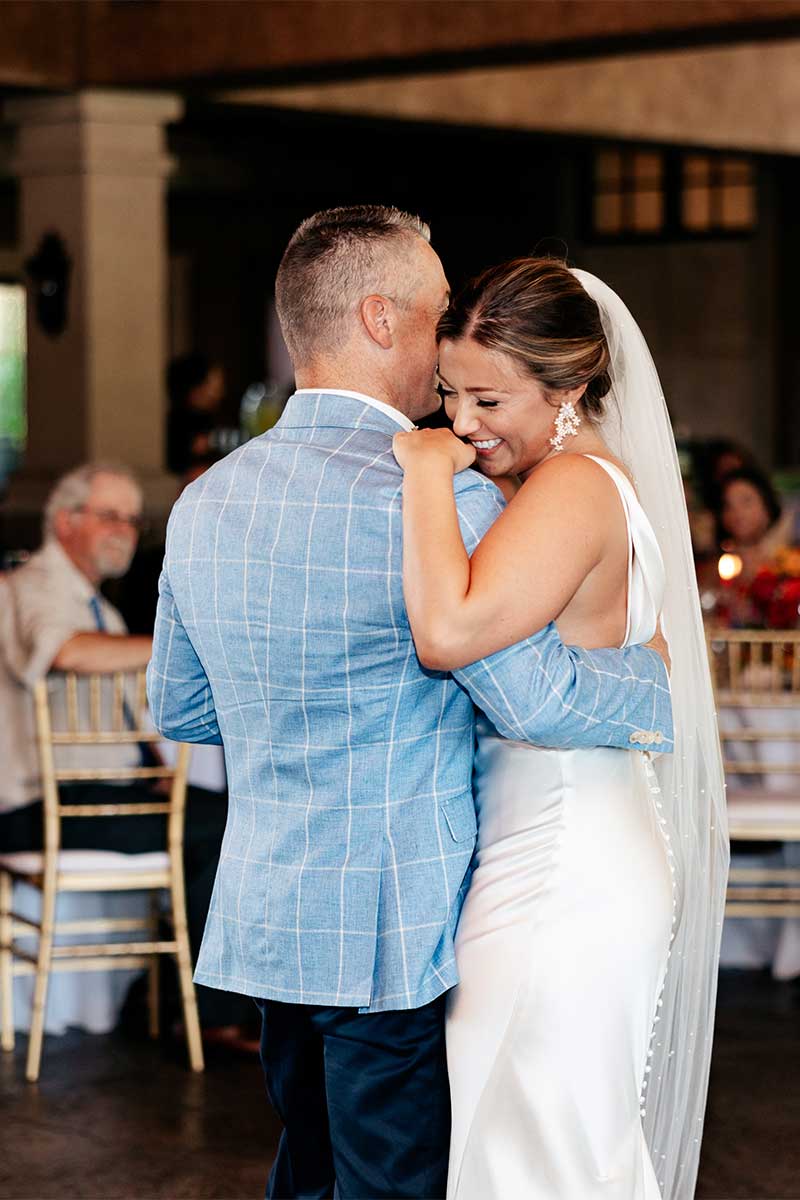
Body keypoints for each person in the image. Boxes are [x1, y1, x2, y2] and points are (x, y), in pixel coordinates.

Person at [147, 207, 673, 1200]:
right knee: (390, 1182)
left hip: (270, 915)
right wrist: (663, 676)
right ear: (382, 320)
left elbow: (180, 704)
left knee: (303, 1170)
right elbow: (532, 698)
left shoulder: (206, 497)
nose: (448, 334)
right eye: (438, 311)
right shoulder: (450, 496)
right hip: (395, 924)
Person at [393, 258, 729, 1200]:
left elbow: (448, 631)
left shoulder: (574, 488)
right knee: (546, 1139)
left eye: (490, 398)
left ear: (571, 387)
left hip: (562, 868)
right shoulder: (587, 482)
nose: (461, 424)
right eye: (450, 393)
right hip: (562, 845)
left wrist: (422, 476)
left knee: (534, 1146)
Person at [0, 462, 253, 1041]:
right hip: (36, 805)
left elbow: (116, 703)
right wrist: (175, 645)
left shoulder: (99, 606)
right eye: (110, 516)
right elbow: (66, 652)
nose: (126, 531)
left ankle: (176, 995)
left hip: (92, 794)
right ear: (65, 521)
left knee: (219, 814)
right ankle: (213, 1017)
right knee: (220, 827)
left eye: (133, 520)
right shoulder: (36, 584)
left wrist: (152, 768)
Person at [715, 465, 797, 582]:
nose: (737, 513)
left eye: (746, 502)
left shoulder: (789, 560)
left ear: (767, 507)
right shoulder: (719, 565)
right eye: (728, 505)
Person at [165, 352, 226, 474]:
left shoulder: (214, 419)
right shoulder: (179, 422)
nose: (219, 392)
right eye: (213, 384)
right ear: (196, 387)